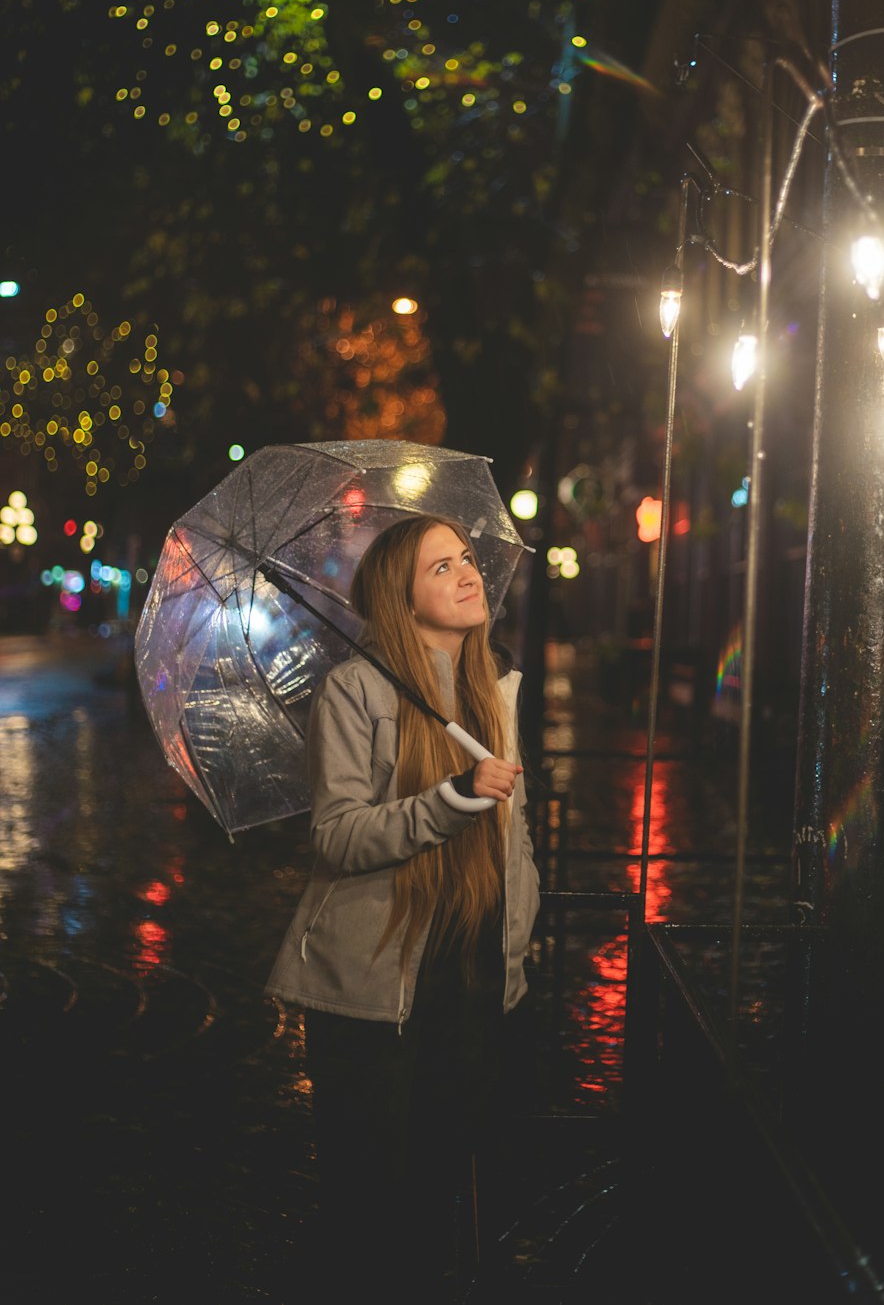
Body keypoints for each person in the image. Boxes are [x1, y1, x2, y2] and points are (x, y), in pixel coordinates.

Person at [265, 513, 541, 1298]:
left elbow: (513, 847)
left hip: (476, 972)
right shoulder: (355, 690)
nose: (466, 574)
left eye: (465, 559)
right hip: (375, 985)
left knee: (444, 1190)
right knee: (370, 1204)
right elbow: (339, 837)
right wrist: (451, 796)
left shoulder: (498, 690)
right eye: (439, 567)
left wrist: (523, 931)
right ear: (400, 596)